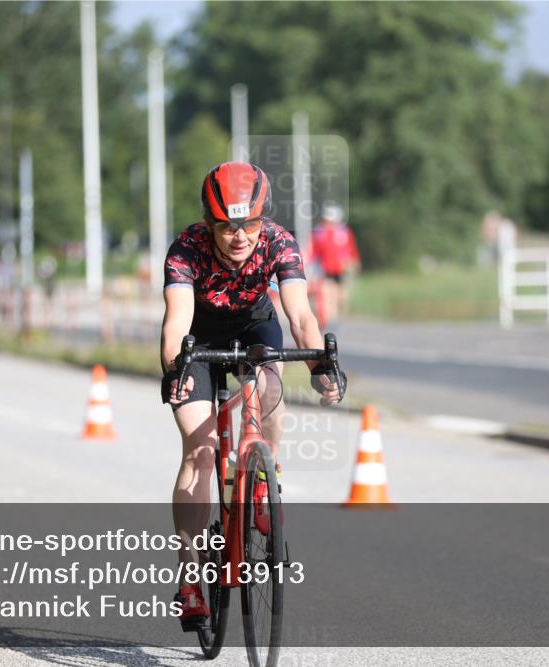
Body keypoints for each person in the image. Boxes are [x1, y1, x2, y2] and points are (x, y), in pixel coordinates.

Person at [160, 162, 345, 630]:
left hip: (253, 327)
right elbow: (176, 322)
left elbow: (301, 316)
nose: (239, 236)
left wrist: (320, 365)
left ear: (263, 219)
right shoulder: (186, 249)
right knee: (200, 451)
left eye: (249, 224)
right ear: (209, 223)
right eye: (226, 226)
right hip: (198, 340)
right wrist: (175, 368)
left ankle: (263, 479)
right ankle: (188, 580)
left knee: (270, 388)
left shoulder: (280, 242)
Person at [310, 205, 360, 327]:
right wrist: (312, 268)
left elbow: (352, 249)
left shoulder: (345, 232)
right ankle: (328, 320)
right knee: (328, 295)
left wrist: (355, 261)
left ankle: (336, 316)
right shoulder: (319, 233)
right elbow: (314, 252)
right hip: (326, 269)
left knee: (341, 297)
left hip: (342, 269)